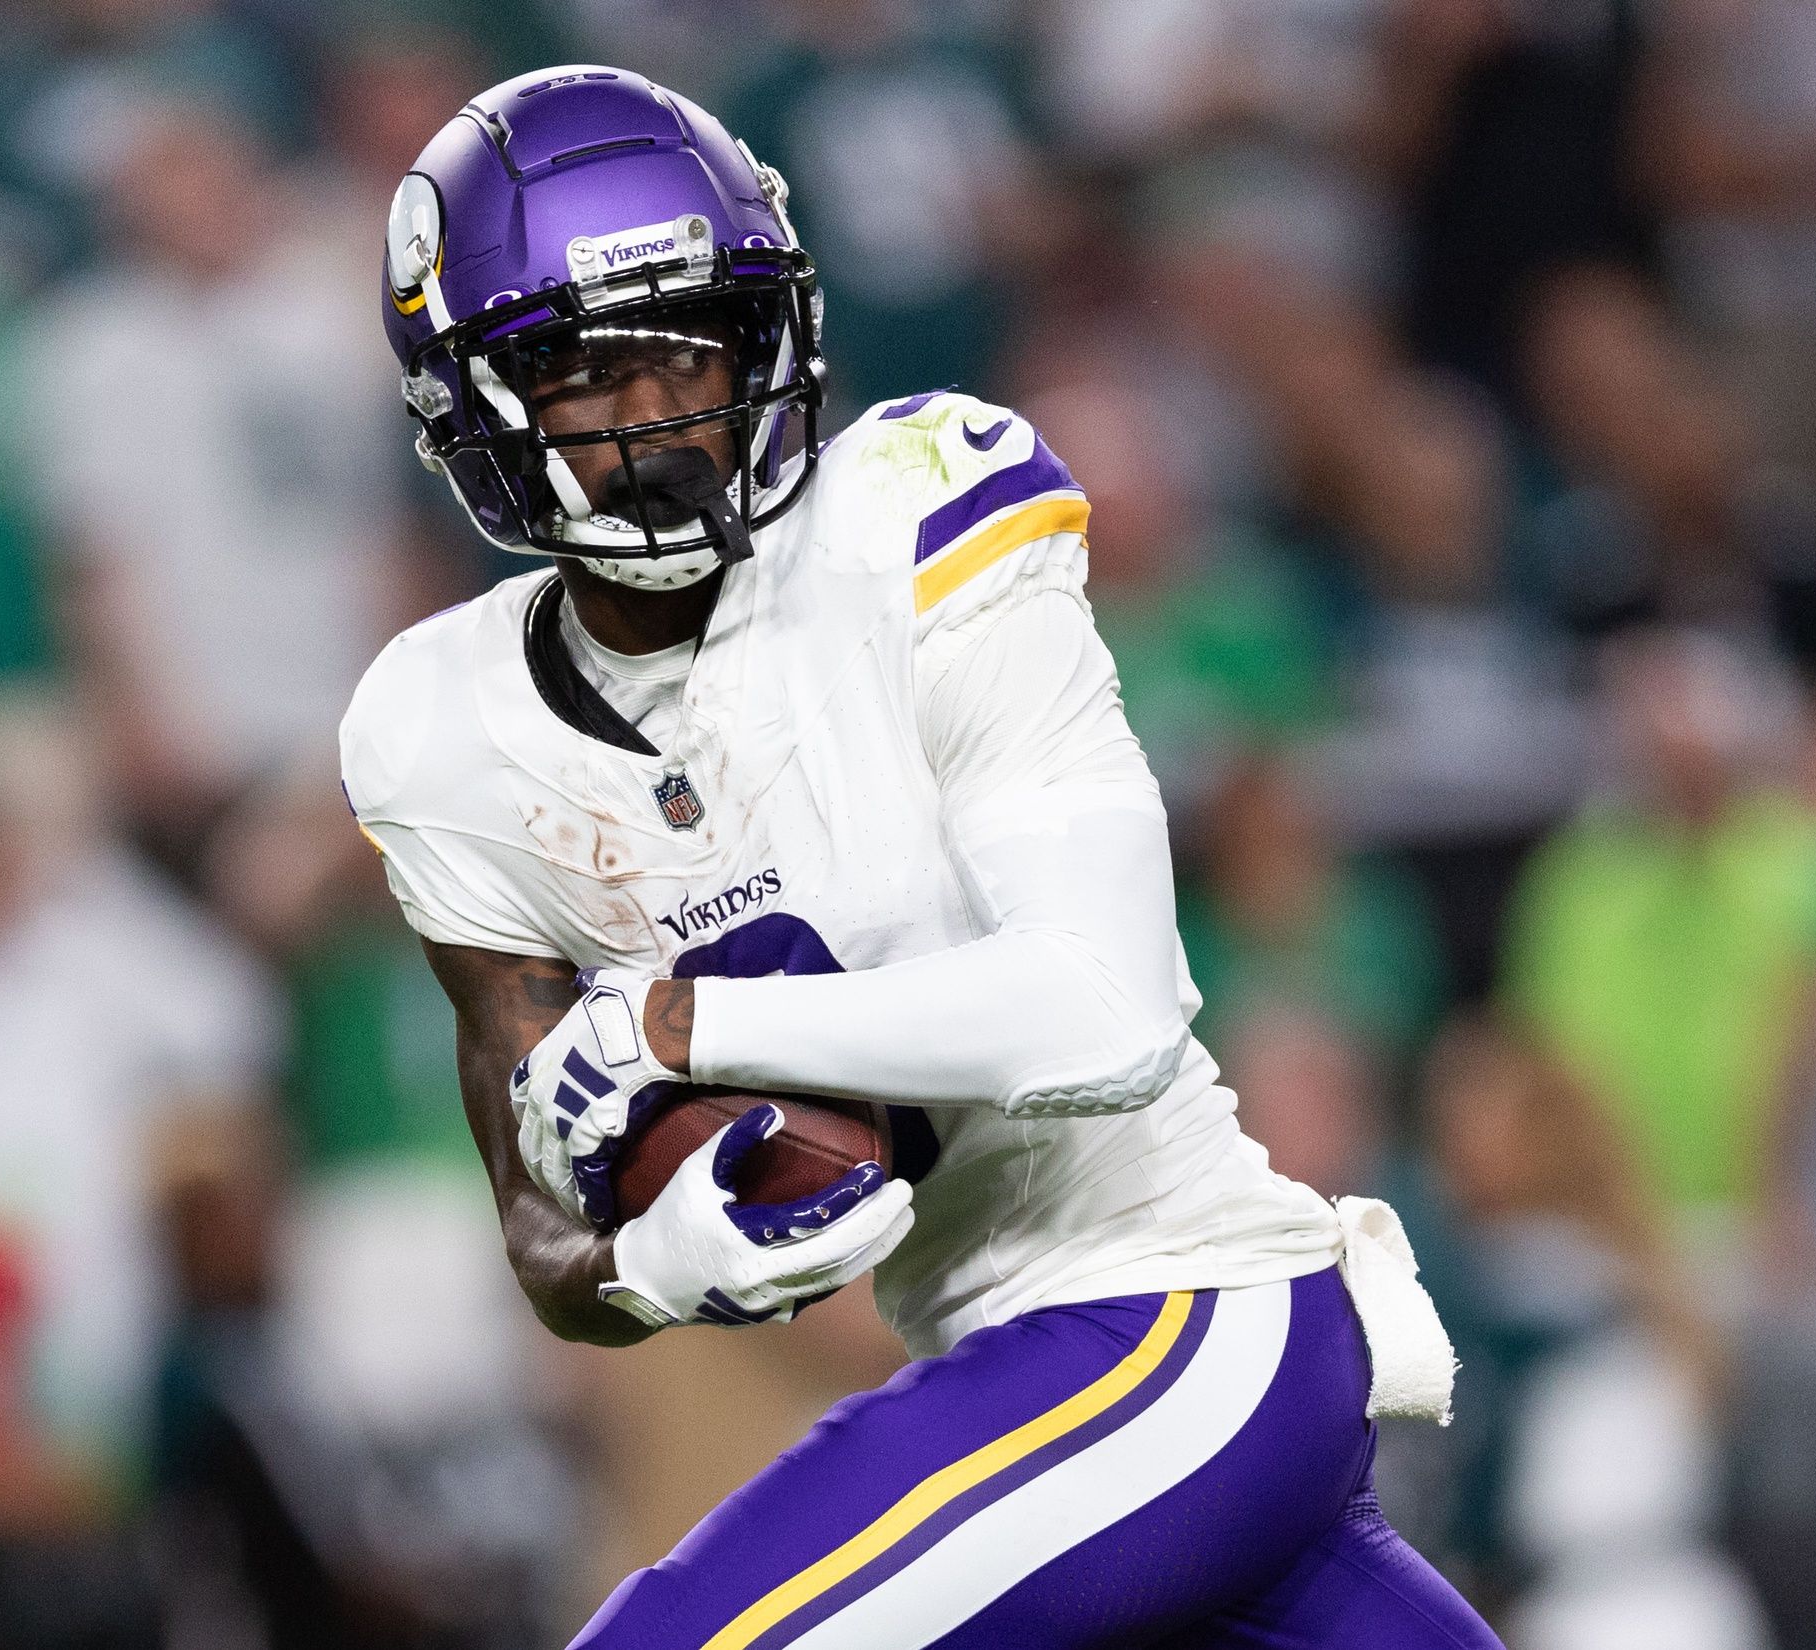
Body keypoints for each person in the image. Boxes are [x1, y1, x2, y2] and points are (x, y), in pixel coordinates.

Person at [339, 66, 1504, 1649]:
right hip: (1032, 1370)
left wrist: (690, 1026)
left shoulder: (917, 511)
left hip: (1177, 1311)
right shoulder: (438, 729)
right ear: (472, 405)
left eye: (696, 344)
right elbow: (541, 1214)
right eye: (590, 372)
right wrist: (645, 1261)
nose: (664, 413)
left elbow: (1103, 1009)